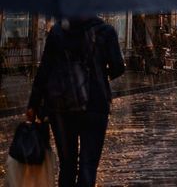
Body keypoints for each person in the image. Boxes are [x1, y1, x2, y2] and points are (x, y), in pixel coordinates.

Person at [27, 17, 125, 187]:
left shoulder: (57, 31)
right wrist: (99, 72)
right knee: (88, 165)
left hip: (61, 106)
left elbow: (45, 69)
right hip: (94, 104)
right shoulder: (105, 31)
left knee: (67, 165)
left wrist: (33, 104)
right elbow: (118, 67)